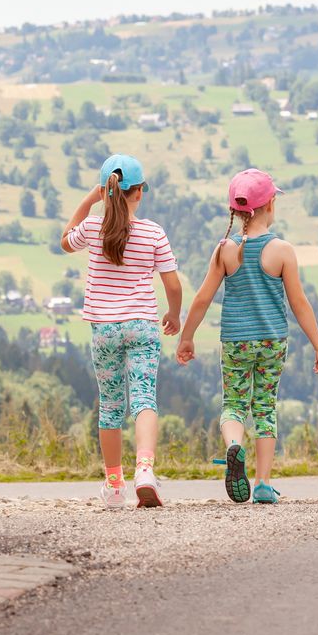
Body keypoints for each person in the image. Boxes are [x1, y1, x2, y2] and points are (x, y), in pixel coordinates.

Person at [176, 168, 318, 504]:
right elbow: (299, 303)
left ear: (235, 211)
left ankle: (234, 447)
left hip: (236, 340)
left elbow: (202, 298)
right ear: (270, 204)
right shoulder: (282, 251)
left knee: (233, 404)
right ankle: (262, 483)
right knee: (264, 407)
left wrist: (186, 338)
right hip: (273, 342)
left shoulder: (225, 251)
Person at [61, 154, 181, 509]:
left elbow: (65, 240)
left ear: (106, 191)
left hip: (105, 329)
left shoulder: (94, 228)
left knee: (111, 407)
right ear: (139, 192)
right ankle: (145, 470)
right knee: (144, 399)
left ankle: (115, 485)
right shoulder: (153, 232)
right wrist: (174, 315)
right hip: (142, 325)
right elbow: (172, 285)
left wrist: (89, 199)